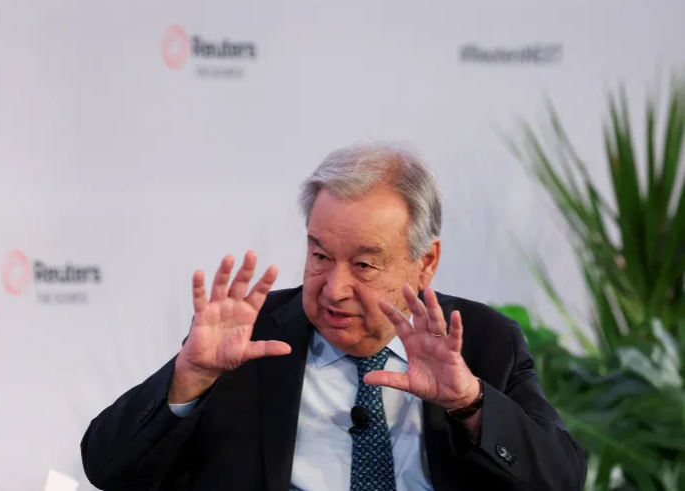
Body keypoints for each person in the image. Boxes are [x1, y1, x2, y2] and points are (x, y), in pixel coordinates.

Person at [80, 141, 587, 491]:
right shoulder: (245, 339)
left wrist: (469, 404)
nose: (335, 289)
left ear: (426, 263)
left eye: (364, 265)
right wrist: (190, 377)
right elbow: (108, 469)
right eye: (320, 255)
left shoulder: (482, 343)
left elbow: (561, 479)